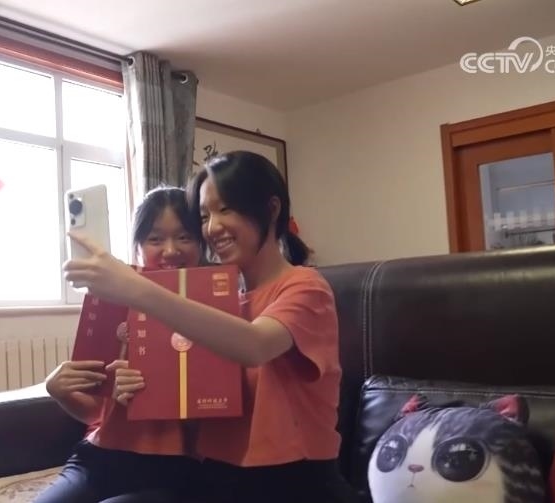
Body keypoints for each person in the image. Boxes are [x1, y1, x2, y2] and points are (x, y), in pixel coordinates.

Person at [64, 151, 358, 503]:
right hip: (216, 480)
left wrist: (135, 288)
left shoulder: (306, 287)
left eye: (225, 209)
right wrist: (124, 386)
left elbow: (255, 345)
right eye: (204, 216)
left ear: (271, 209)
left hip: (295, 483)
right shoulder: (219, 304)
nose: (212, 227)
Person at [35, 186, 204, 503]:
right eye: (155, 239)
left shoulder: (219, 308)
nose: (170, 250)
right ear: (138, 245)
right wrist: (58, 391)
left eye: (184, 237)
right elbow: (95, 412)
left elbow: (221, 409)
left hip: (177, 468)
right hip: (99, 457)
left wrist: (158, 387)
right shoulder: (112, 299)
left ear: (201, 241)